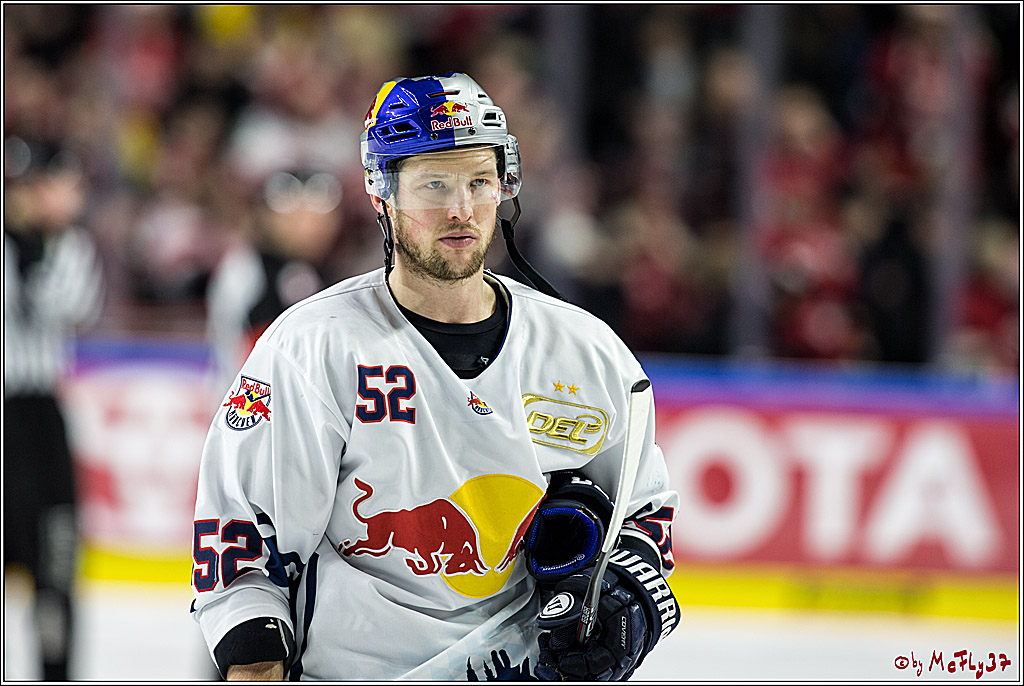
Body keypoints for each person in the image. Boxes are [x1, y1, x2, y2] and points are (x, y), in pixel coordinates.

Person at [190, 72, 680, 681]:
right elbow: (244, 542)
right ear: (382, 194)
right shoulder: (311, 347)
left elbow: (643, 518)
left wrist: (630, 599)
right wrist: (254, 662)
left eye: (479, 181)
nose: (461, 208)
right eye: (434, 184)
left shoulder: (588, 354)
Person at [4, 136, 104, 680]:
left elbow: (72, 305)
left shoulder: (68, 247)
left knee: (56, 560)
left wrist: (32, 243)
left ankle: (55, 674)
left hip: (40, 417)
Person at [207, 166, 344, 388]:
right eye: (296, 218)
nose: (307, 227)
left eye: (314, 217)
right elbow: (234, 351)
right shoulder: (246, 270)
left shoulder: (330, 272)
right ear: (266, 218)